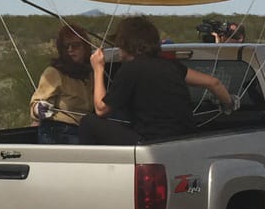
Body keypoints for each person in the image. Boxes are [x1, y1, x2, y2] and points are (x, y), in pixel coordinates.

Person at [80, 15, 232, 144]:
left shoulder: (130, 69)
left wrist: (98, 69)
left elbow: (101, 109)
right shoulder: (172, 66)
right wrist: (229, 106)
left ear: (125, 43)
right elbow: (214, 83)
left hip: (151, 141)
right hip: (185, 140)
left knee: (88, 122)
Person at [29, 23, 94, 143]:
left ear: (85, 47)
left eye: (75, 45)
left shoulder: (90, 74)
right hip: (59, 132)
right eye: (66, 46)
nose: (70, 50)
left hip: (85, 130)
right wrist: (40, 109)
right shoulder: (54, 72)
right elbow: (35, 104)